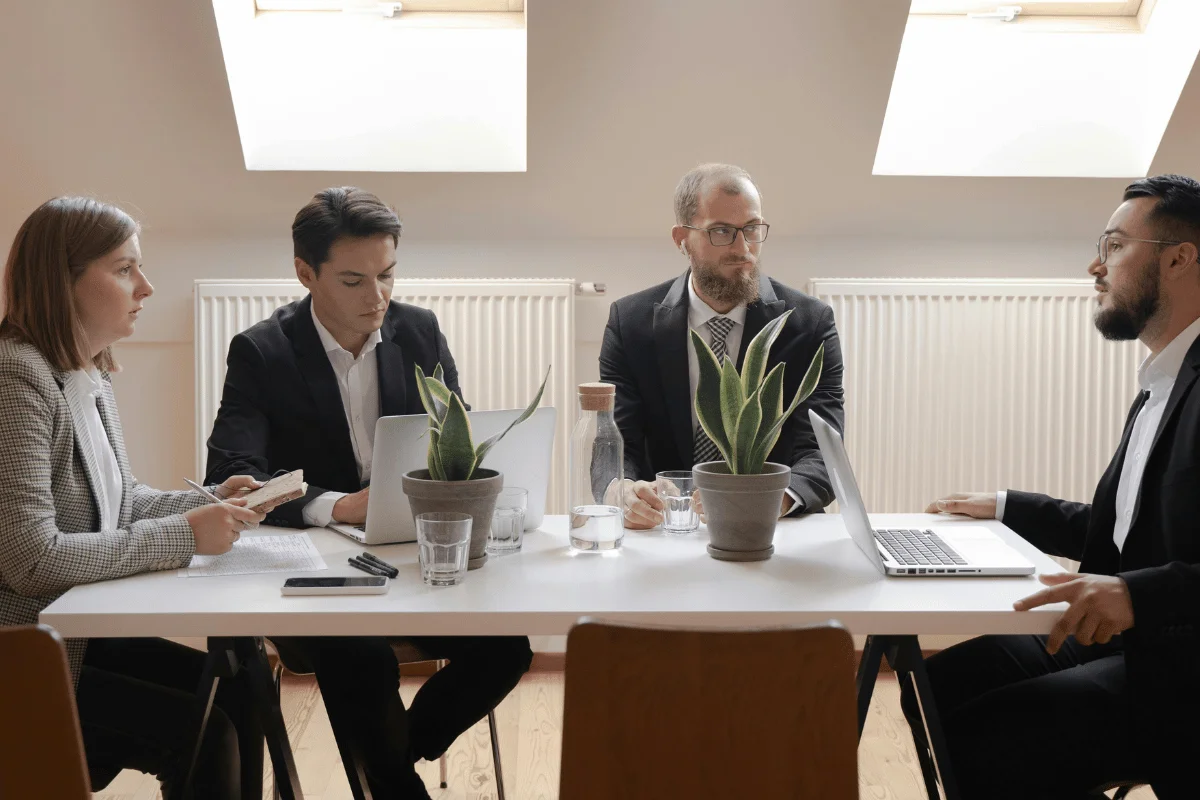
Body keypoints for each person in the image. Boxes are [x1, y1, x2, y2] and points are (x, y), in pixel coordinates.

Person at [205, 186, 533, 799]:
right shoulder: (261, 351)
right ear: (306, 274)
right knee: (359, 655)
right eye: (354, 281)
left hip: (409, 560)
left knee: (506, 648)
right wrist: (336, 505)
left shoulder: (418, 331)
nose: (378, 297)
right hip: (310, 579)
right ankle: (395, 785)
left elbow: (453, 444)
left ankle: (395, 761)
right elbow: (230, 473)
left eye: (387, 275)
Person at [917, 174, 1200, 799]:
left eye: (1115, 245)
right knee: (932, 688)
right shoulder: (1164, 380)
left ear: (1179, 257)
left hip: (1182, 666)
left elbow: (1142, 573)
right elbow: (1125, 527)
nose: (1095, 266)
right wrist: (1005, 507)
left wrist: (1136, 595)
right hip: (1140, 640)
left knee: (985, 740)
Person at [0, 197, 270, 799]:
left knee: (246, 686)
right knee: (208, 733)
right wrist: (185, 535)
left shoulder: (87, 373)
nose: (146, 287)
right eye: (124, 270)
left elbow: (119, 507)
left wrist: (205, 503)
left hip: (77, 635)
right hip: (25, 658)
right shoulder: (16, 378)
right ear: (62, 280)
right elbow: (30, 560)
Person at [599, 163, 845, 529]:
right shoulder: (630, 323)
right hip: (665, 528)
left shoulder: (809, 324)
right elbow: (615, 443)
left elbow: (823, 452)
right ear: (681, 237)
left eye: (752, 229)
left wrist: (773, 499)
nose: (742, 248)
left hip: (770, 529)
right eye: (721, 232)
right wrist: (622, 491)